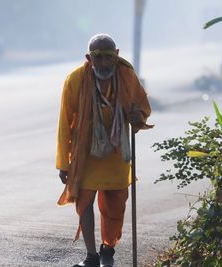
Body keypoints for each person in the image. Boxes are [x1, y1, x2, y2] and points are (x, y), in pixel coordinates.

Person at [56, 33, 152, 267]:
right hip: (86, 153)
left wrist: (136, 116)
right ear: (89, 58)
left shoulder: (126, 75)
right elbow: (64, 123)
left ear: (116, 55)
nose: (103, 63)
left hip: (117, 153)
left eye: (108, 57)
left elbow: (143, 109)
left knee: (115, 206)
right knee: (84, 203)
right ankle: (91, 256)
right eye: (97, 58)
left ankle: (108, 249)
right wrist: (63, 163)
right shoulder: (75, 79)